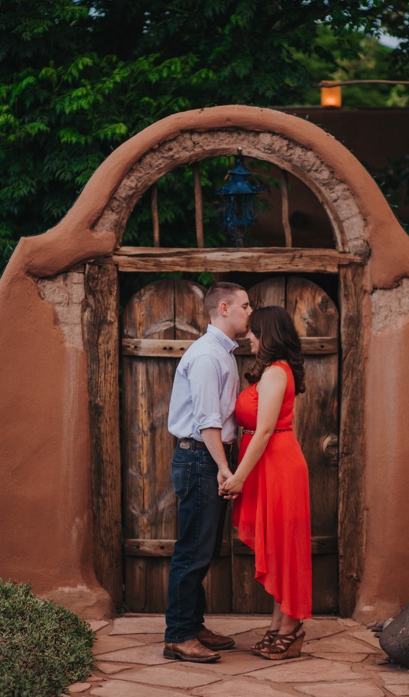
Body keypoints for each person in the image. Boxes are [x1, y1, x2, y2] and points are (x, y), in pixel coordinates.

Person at [163, 281, 253, 663]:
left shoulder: (223, 353)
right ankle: (179, 636)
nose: (251, 311)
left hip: (206, 458)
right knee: (192, 550)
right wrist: (222, 467)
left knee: (204, 547)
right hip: (201, 458)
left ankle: (193, 624)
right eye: (246, 305)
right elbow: (207, 420)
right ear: (225, 308)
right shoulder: (206, 356)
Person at [219, 305, 313, 661]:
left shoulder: (276, 373)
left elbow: (265, 431)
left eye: (254, 331)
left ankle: (291, 627)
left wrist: (239, 478)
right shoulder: (272, 372)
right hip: (270, 464)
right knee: (277, 546)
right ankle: (278, 623)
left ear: (268, 334)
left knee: (286, 548)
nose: (248, 336)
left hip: (278, 464)